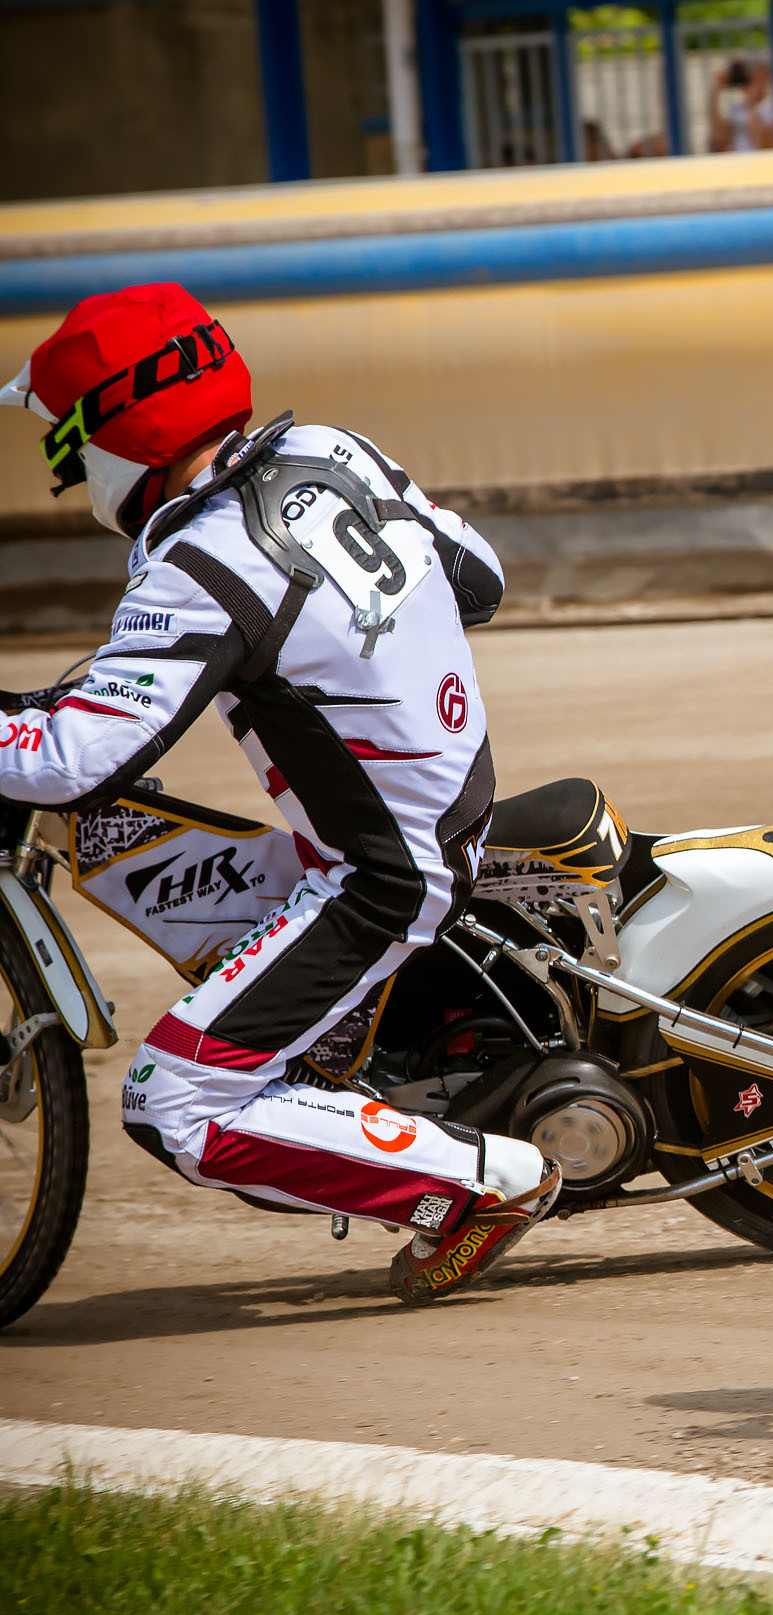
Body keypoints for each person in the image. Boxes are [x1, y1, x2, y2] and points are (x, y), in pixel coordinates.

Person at [0, 283, 558, 1303]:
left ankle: (480, 1186)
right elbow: (477, 576)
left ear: (121, 425)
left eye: (66, 444)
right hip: (439, 810)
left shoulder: (198, 560)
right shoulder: (334, 449)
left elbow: (71, 761)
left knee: (172, 1101)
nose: (67, 471)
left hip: (376, 878)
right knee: (138, 852)